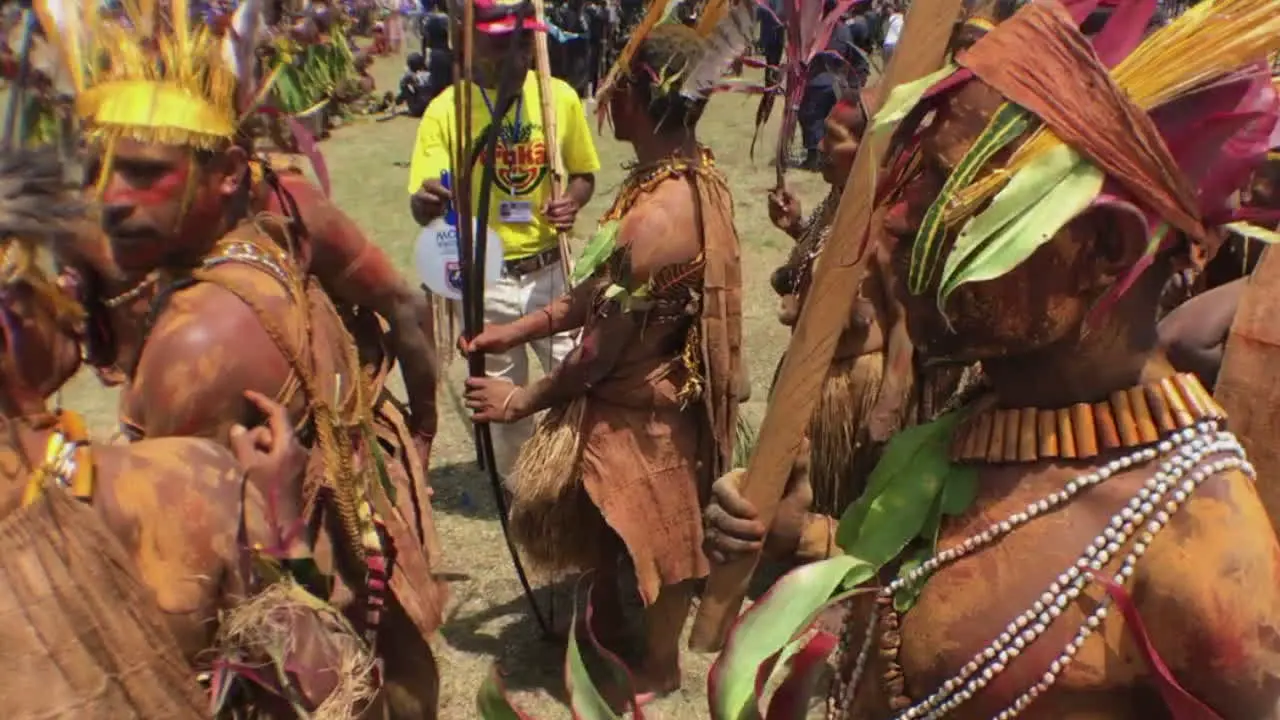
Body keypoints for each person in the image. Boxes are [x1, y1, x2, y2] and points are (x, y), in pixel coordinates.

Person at [707, 1, 1280, 716]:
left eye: (953, 189)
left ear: (1101, 251)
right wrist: (802, 540)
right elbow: (925, 599)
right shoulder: (984, 418)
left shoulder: (1202, 552)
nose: (896, 219)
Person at [38, 1, 446, 716]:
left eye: (141, 171)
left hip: (286, 574)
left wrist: (420, 432)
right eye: (97, 168)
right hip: (353, 509)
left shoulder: (194, 346)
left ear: (226, 172)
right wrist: (418, 431)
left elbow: (170, 573)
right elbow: (405, 310)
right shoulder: (283, 201)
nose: (109, 198)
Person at [0, 149, 365, 717]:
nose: (65, 291)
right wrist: (282, 527)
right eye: (40, 276)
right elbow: (332, 695)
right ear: (7, 329)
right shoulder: (187, 482)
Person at [462, 19, 742, 703]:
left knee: (667, 543)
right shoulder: (684, 178)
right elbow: (592, 295)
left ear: (643, 100)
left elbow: (593, 356)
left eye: (615, 90)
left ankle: (660, 666)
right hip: (636, 405)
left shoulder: (656, 218)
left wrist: (518, 402)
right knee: (619, 531)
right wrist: (517, 329)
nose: (606, 102)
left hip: (649, 417)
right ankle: (614, 627)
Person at [408, 0, 600, 484]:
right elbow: (421, 199)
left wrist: (572, 202)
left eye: (521, 40)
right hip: (485, 281)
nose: (514, 53)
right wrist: (429, 204)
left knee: (576, 377)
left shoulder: (560, 99)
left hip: (551, 270)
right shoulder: (446, 111)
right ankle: (521, 496)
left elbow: (583, 174)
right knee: (501, 396)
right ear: (472, 41)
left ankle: (580, 481)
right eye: (499, 40)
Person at [797, 0, 857, 171]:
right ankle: (827, 156)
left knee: (811, 117)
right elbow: (850, 54)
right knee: (829, 121)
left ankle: (814, 158)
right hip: (838, 83)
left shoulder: (817, 30)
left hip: (818, 81)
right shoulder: (844, 29)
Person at [397, 51, 435, 116]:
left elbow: (403, 93)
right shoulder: (428, 74)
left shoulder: (409, 76)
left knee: (404, 84)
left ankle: (411, 108)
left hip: (417, 110)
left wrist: (397, 101)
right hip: (430, 108)